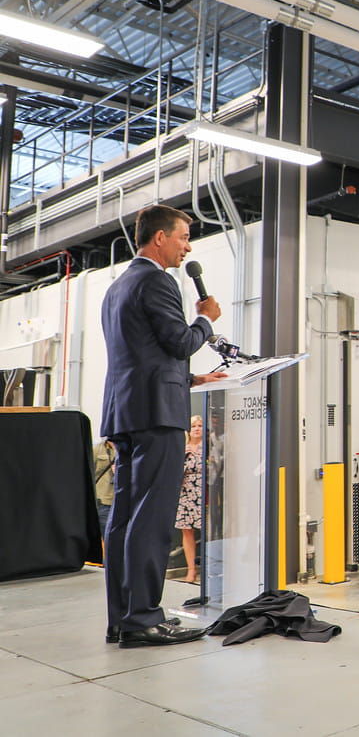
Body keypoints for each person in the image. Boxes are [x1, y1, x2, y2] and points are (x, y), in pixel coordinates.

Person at [101, 204, 225, 648]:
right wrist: (206, 318)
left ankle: (122, 619)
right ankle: (143, 619)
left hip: (127, 413)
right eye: (183, 237)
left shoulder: (117, 287)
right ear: (159, 238)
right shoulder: (158, 281)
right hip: (158, 416)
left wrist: (191, 379)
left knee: (124, 518)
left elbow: (143, 356)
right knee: (152, 519)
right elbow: (180, 341)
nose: (187, 247)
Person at [175, 415, 204, 584]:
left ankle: (209, 568)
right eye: (194, 426)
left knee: (207, 530)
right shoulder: (182, 448)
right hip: (185, 491)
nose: (197, 429)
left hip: (203, 491)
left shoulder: (208, 447)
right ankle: (191, 569)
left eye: (200, 425)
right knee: (186, 530)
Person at [92, 438, 116, 539]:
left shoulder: (129, 448)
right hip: (104, 502)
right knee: (109, 538)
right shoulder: (96, 449)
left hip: (126, 503)